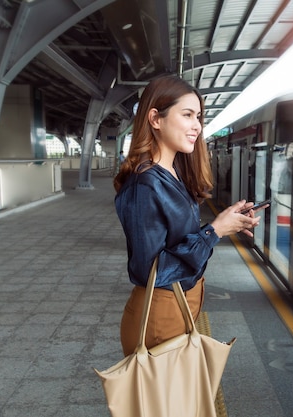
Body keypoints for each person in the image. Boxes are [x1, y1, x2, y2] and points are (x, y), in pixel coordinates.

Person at [114, 75, 264, 356]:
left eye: (198, 116)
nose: (197, 125)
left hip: (182, 302)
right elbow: (150, 271)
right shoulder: (145, 184)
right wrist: (214, 231)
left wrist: (226, 221)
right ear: (155, 119)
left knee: (178, 398)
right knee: (167, 400)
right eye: (187, 115)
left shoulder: (173, 175)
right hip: (161, 311)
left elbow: (179, 242)